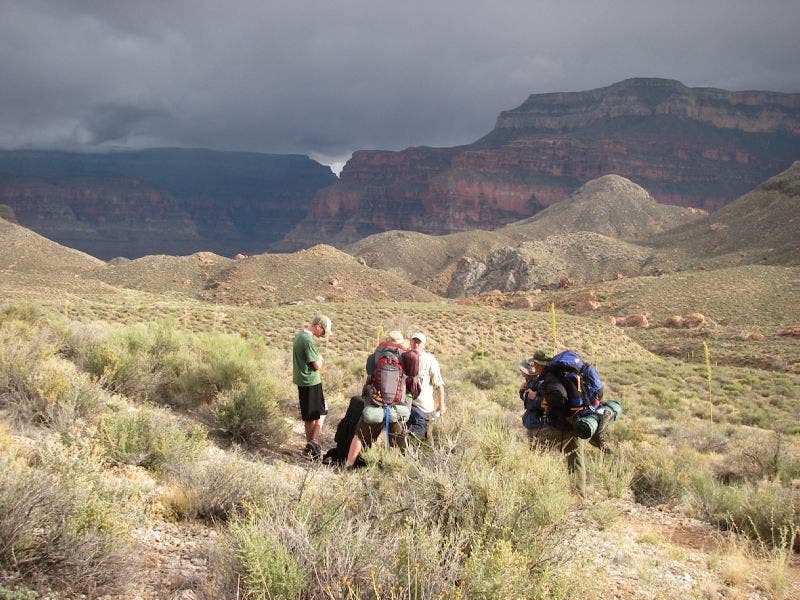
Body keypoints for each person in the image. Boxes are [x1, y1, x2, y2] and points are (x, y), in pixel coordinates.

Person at [345, 331, 412, 467]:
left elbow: (370, 374)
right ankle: (392, 468)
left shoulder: (375, 355)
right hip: (396, 404)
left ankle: (349, 464)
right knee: (396, 438)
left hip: (375, 402)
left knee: (360, 435)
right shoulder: (405, 357)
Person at [528, 349, 587, 498]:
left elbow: (558, 397)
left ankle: (536, 492)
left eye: (534, 364)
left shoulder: (550, 376)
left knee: (536, 449)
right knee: (575, 457)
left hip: (561, 423)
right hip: (576, 419)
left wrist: (543, 401)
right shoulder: (564, 372)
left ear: (537, 364)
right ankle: (579, 496)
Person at [292, 314, 332, 460]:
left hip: (305, 381)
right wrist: (320, 359)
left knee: (317, 412)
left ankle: (312, 445)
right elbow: (317, 365)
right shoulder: (308, 340)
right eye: (324, 331)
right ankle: (312, 447)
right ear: (318, 326)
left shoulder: (301, 336)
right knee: (313, 416)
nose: (324, 335)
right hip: (310, 381)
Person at [405, 332, 446, 440]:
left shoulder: (430, 360)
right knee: (404, 437)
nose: (416, 345)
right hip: (406, 405)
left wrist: (442, 405)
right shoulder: (404, 357)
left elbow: (438, 384)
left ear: (424, 344)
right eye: (414, 341)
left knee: (425, 437)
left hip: (423, 407)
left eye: (419, 342)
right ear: (410, 342)